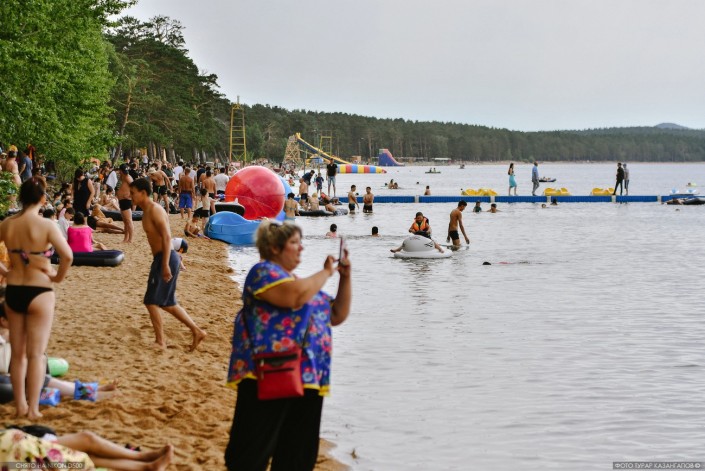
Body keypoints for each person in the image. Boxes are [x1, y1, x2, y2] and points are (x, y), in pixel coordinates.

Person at [224, 220, 352, 471]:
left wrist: (345, 278)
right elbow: (294, 297)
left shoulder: (302, 284)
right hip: (266, 373)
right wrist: (326, 272)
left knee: (297, 457)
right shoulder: (263, 273)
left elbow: (337, 314)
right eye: (294, 242)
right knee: (250, 453)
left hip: (309, 378)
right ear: (274, 247)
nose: (301, 248)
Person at [0, 177, 73, 419]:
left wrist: (6, 272)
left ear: (22, 197)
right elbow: (67, 256)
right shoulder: (46, 225)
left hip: (14, 289)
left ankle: (20, 406)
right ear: (42, 198)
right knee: (36, 355)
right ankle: (32, 409)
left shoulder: (8, 224)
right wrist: (57, 277)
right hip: (39, 289)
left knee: (18, 354)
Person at [129, 178, 206, 351]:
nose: (131, 196)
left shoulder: (155, 210)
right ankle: (197, 331)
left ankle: (160, 341)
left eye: (133, 193)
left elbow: (166, 237)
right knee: (167, 302)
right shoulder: (147, 211)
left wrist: (164, 265)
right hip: (163, 258)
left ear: (143, 193)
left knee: (151, 301)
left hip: (166, 258)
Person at [117, 164, 134, 243]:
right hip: (122, 200)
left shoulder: (127, 177)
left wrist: (130, 196)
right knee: (125, 222)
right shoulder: (122, 177)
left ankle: (130, 239)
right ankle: (126, 238)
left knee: (129, 221)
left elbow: (134, 187)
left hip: (126, 200)